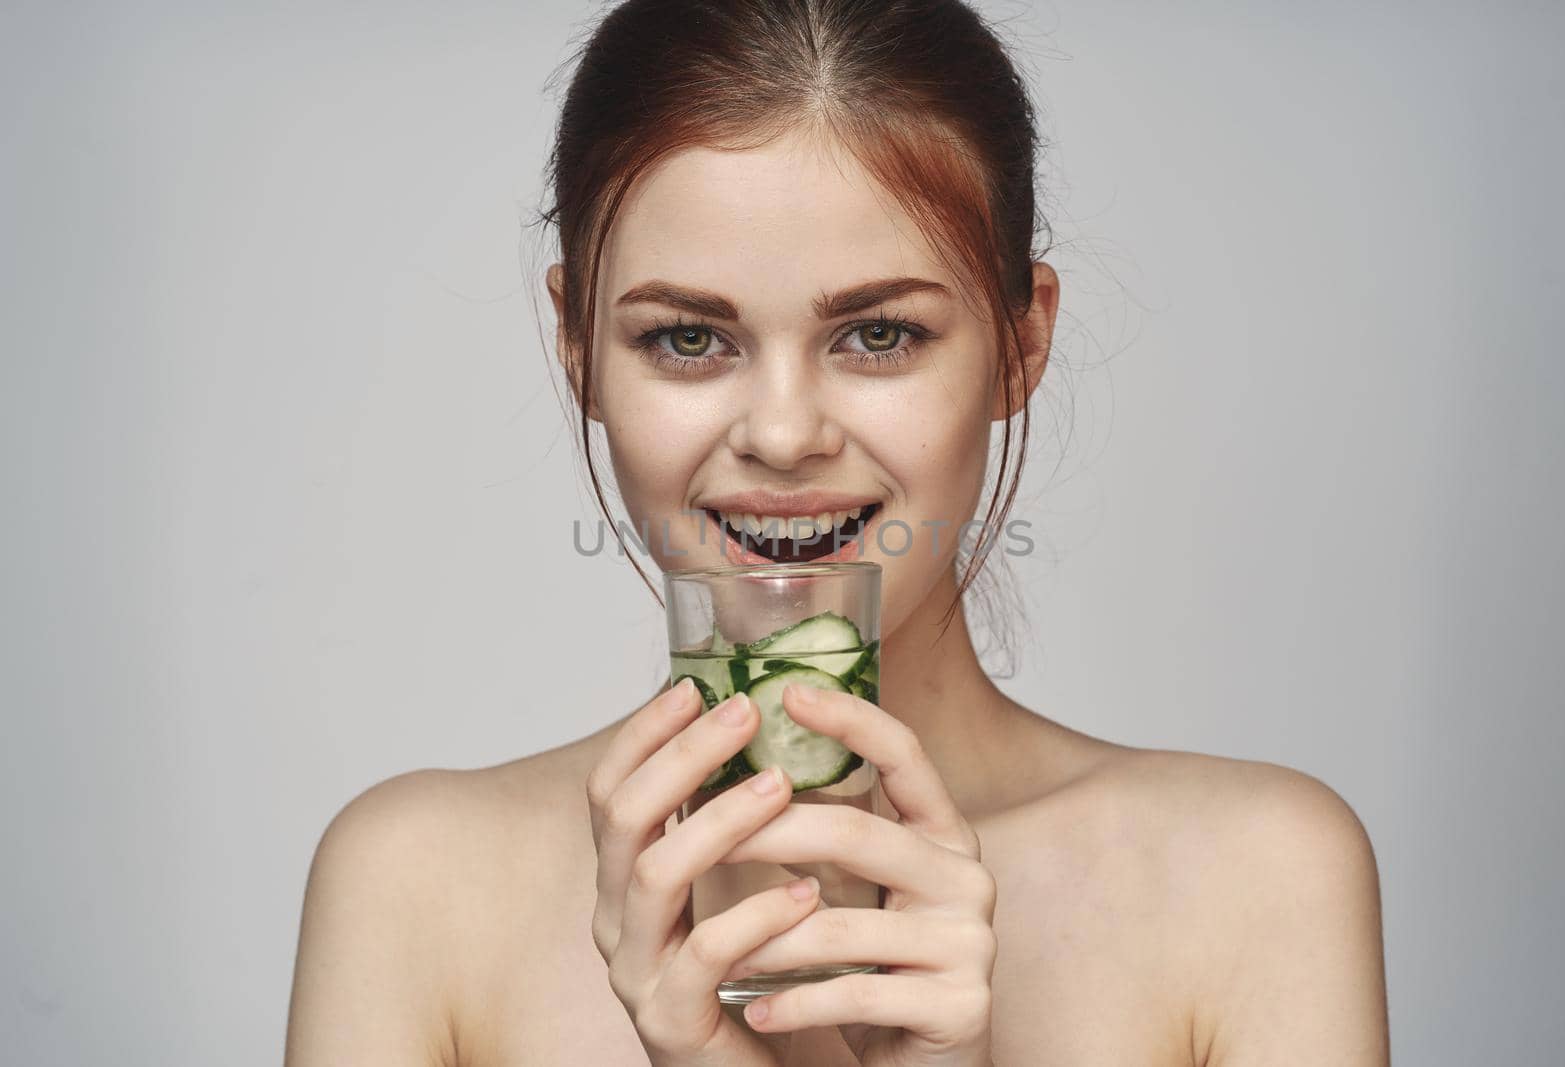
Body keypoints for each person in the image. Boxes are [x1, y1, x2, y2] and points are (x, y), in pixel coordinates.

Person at [284, 1, 1390, 1064]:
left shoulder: (1257, 879)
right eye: (684, 338)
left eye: (876, 333)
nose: (780, 433)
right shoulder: (413, 890)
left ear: (1020, 345)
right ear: (579, 349)